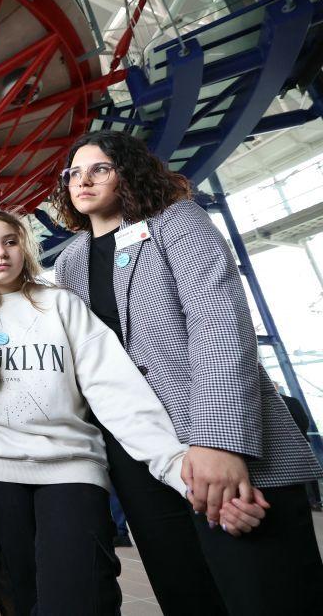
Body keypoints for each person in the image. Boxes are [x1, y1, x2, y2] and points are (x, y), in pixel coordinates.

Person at [52, 129, 323, 614]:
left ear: (128, 173)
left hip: (217, 435)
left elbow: (219, 324)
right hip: (140, 455)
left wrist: (219, 442)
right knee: (187, 594)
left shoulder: (176, 222)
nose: (83, 181)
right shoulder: (70, 261)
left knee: (266, 591)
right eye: (74, 172)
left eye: (100, 169)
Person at [0, 209, 201, 614]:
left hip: (72, 467)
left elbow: (114, 388)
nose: (0, 252)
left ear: (24, 247)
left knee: (81, 597)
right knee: (20, 598)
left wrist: (174, 464)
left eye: (10, 241)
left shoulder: (61, 305)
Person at [276, 383, 323, 512]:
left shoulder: (272, 404)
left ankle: (308, 501)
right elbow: (304, 420)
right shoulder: (292, 401)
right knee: (308, 472)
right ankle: (315, 501)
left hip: (285, 444)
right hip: (301, 440)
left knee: (297, 473)